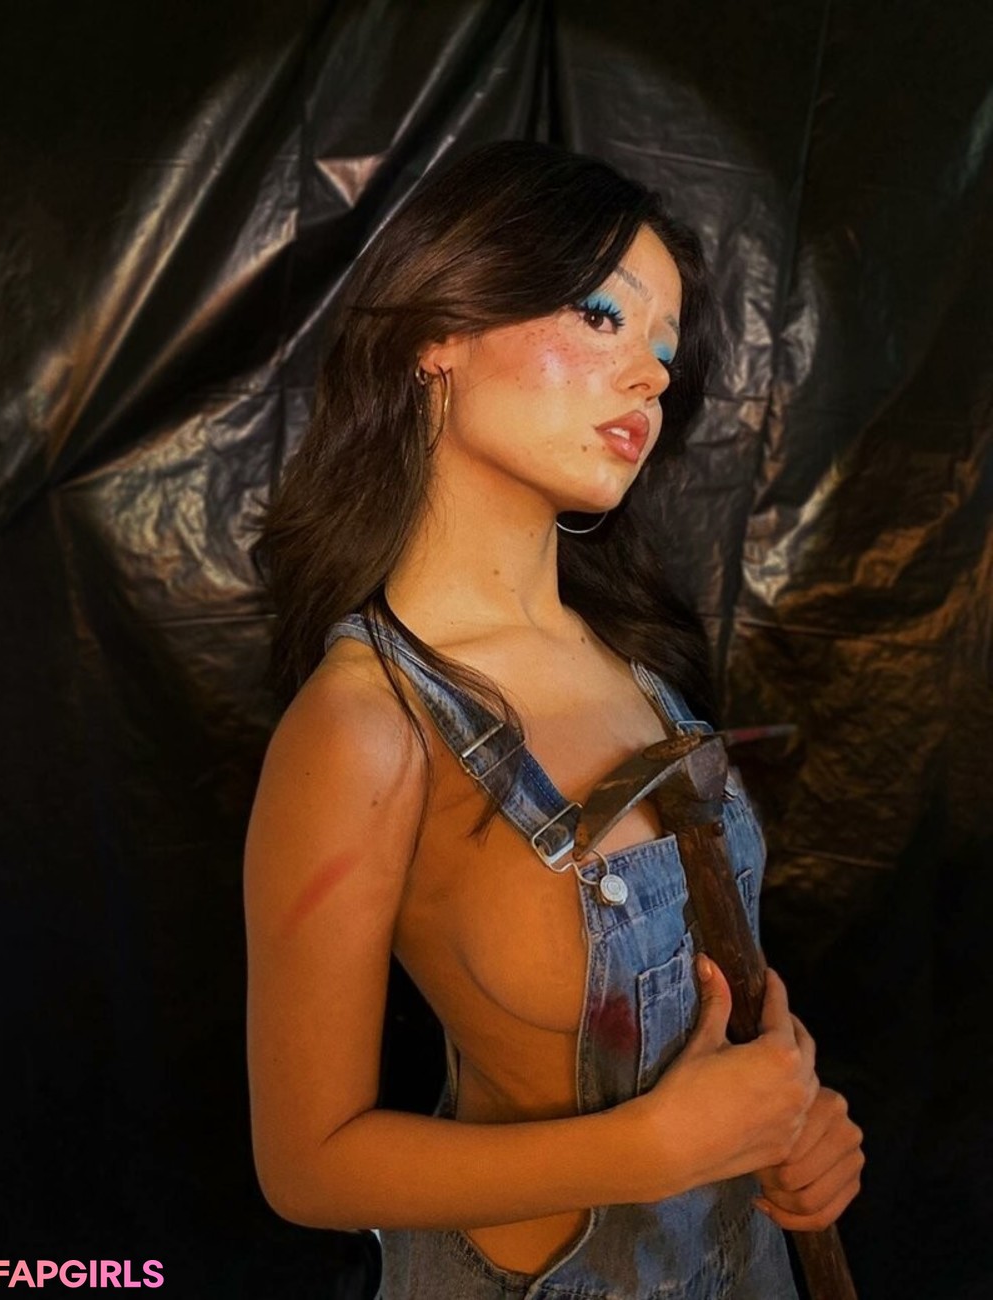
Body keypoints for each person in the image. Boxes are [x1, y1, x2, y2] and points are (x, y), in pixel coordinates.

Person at [244, 140, 864, 1299]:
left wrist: (792, 1109)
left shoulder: (634, 662)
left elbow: (718, 989)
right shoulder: (367, 726)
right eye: (602, 316)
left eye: (664, 353)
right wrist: (653, 1149)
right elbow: (305, 1164)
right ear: (440, 330)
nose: (650, 379)